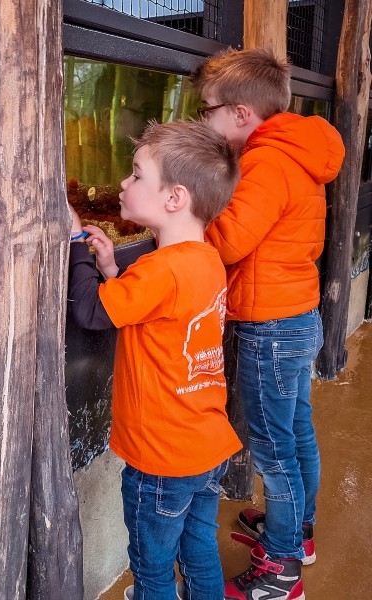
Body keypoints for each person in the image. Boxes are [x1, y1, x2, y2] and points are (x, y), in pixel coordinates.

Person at [190, 48, 345, 600]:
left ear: (239, 113)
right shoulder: (298, 155)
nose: (204, 120)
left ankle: (281, 569)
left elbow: (231, 240)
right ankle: (296, 534)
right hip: (297, 316)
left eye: (207, 110)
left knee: (274, 451)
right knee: (296, 433)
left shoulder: (265, 161)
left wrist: (183, 224)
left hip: (271, 328)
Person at [67, 120, 242, 600]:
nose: (123, 183)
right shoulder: (205, 260)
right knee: (199, 547)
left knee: (152, 570)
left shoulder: (160, 270)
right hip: (205, 447)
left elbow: (91, 311)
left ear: (174, 198)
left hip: (161, 458)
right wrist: (110, 268)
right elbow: (156, 305)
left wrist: (74, 246)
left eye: (137, 174)